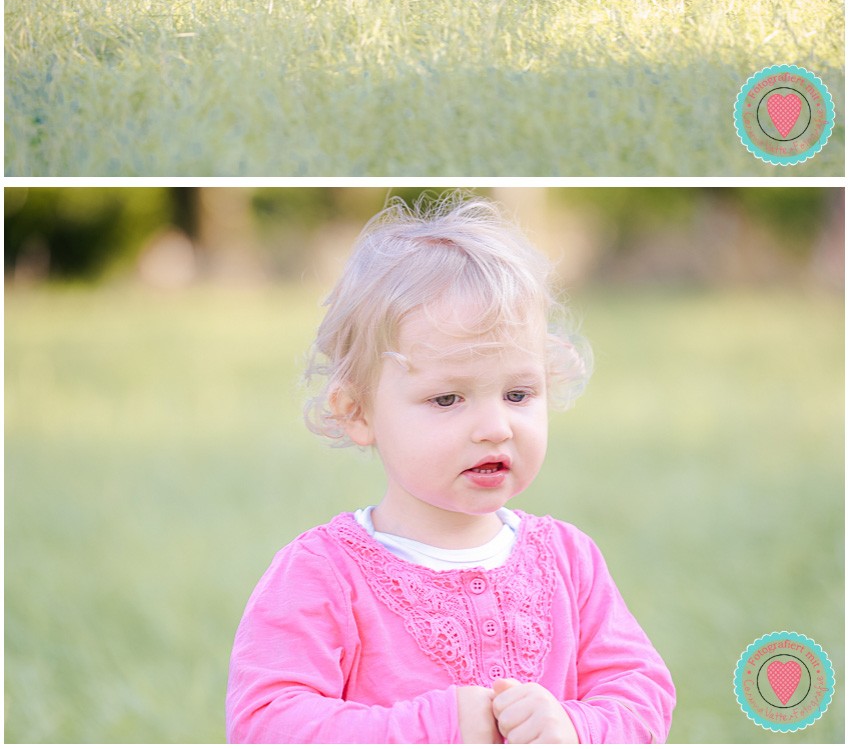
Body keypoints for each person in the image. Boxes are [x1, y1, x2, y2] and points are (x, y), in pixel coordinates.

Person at [226, 195, 676, 744]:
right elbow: (265, 724)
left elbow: (640, 693)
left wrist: (575, 728)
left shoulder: (568, 562)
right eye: (447, 399)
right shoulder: (321, 575)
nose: (495, 427)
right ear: (358, 412)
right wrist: (438, 727)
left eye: (517, 393)